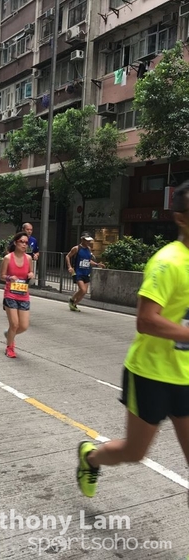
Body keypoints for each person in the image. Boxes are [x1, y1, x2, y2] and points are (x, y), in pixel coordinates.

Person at [77, 179, 189, 499]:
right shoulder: (168, 262)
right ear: (181, 218)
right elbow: (146, 320)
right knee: (135, 452)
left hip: (186, 376)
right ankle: (91, 457)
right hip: (151, 374)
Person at [0, 231, 35, 358]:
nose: (24, 245)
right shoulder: (8, 258)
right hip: (10, 294)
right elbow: (1, 276)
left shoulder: (28, 258)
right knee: (14, 324)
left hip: (23, 294)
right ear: (15, 243)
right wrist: (10, 278)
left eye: (26, 242)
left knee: (23, 326)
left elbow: (31, 273)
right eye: (22, 242)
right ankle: (9, 347)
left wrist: (31, 274)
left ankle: (9, 334)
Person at [66, 232, 105, 312]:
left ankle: (74, 304)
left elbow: (88, 260)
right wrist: (69, 267)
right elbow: (68, 256)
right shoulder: (76, 248)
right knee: (83, 290)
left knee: (84, 292)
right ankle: (72, 299)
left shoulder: (89, 249)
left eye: (89, 240)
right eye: (87, 240)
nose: (88, 242)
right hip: (78, 272)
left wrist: (97, 264)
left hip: (86, 272)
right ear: (82, 240)